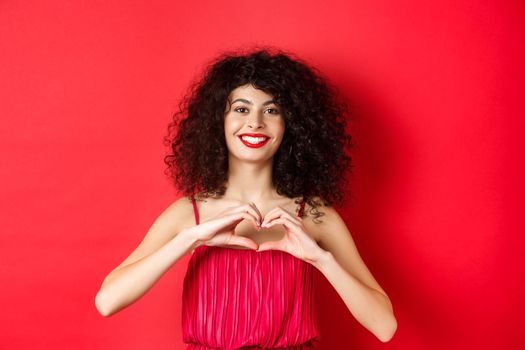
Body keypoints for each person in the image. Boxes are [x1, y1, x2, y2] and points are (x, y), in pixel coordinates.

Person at [95, 47, 397, 348]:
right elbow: (107, 302)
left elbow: (385, 327)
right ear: (219, 122)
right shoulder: (189, 215)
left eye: (271, 110)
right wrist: (189, 240)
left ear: (290, 124)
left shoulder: (314, 214)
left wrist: (321, 259)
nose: (255, 122)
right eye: (241, 109)